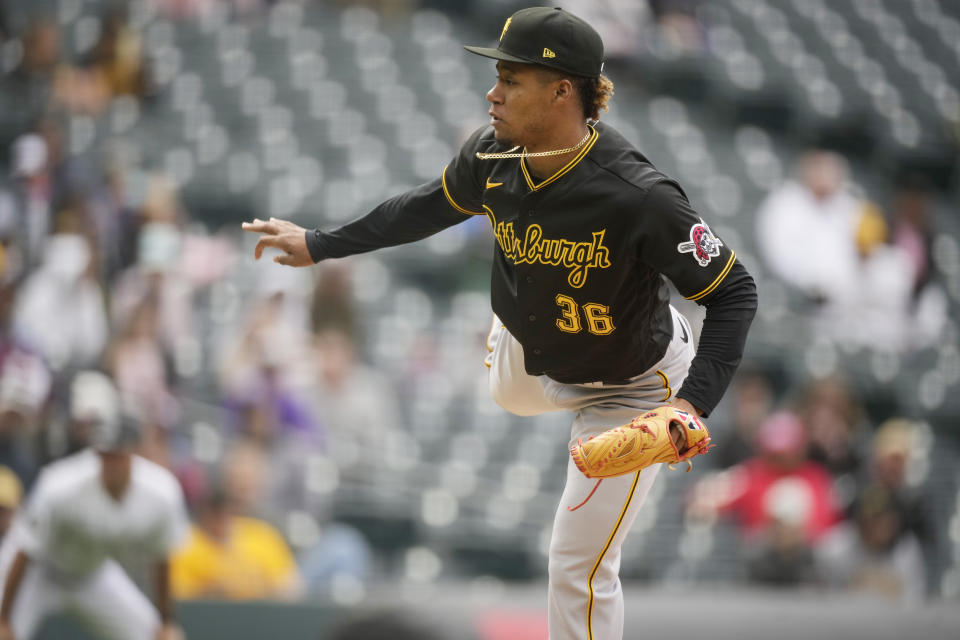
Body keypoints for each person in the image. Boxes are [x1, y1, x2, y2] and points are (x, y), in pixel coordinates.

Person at [243, 7, 756, 639]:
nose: (492, 92)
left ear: (562, 90)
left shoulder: (640, 197)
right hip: (528, 353)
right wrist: (321, 243)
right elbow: (425, 207)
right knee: (507, 388)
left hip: (631, 386)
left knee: (576, 563)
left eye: (510, 79)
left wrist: (692, 405)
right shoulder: (492, 155)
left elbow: (735, 292)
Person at [0, 402, 188, 640]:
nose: (108, 463)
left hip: (91, 573)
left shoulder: (161, 493)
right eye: (103, 454)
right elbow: (24, 552)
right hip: (38, 573)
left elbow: (161, 560)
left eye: (116, 454)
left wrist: (166, 623)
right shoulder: (60, 485)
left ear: (134, 450)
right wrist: (4, 619)